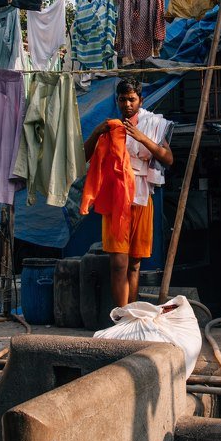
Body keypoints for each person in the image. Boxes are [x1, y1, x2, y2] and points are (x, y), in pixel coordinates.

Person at [84, 77, 173, 307]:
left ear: (140, 100)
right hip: (116, 199)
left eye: (132, 99)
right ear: (118, 101)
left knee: (135, 263)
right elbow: (85, 156)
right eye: (123, 99)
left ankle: (131, 315)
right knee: (118, 264)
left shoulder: (152, 123)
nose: (127, 104)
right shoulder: (111, 126)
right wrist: (96, 132)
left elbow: (168, 158)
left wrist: (141, 137)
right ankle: (122, 316)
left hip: (142, 196)